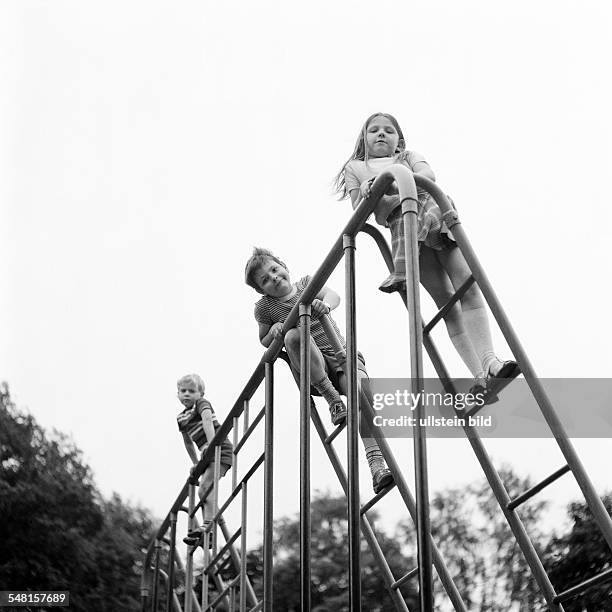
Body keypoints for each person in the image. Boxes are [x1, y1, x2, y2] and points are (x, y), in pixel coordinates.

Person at [334, 112, 518, 396]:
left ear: (399, 141)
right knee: (446, 303)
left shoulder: (407, 157)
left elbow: (429, 176)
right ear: (364, 139)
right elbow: (360, 210)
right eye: (374, 130)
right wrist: (370, 192)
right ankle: (481, 377)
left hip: (432, 210)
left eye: (388, 130)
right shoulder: (357, 167)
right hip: (404, 226)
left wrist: (395, 182)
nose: (381, 134)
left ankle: (490, 361)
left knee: (468, 288)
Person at [244, 247, 394, 493]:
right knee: (293, 333)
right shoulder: (265, 309)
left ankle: (376, 463)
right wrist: (273, 331)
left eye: (274, 269)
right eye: (265, 280)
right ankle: (332, 398)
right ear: (261, 290)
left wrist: (324, 305)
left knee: (362, 393)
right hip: (313, 367)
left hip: (341, 355)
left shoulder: (306, 284)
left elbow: (333, 296)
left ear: (283, 265)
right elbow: (263, 339)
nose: (273, 277)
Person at [175, 373, 233, 547]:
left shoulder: (202, 404)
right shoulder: (181, 418)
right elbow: (188, 442)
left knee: (206, 487)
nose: (186, 394)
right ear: (177, 394)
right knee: (202, 491)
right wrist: (195, 464)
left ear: (200, 394)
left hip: (220, 448)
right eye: (183, 391)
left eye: (191, 391)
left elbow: (208, 421)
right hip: (207, 454)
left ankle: (207, 528)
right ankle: (207, 532)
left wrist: (211, 444)